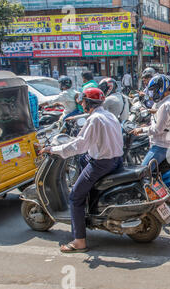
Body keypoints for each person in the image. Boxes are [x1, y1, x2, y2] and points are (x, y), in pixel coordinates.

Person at [39, 88, 124, 253]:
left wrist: (53, 149)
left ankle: (79, 241)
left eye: (83, 101)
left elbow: (79, 145)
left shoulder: (94, 120)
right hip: (116, 160)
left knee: (74, 197)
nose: (82, 104)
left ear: (88, 103)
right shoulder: (108, 115)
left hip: (101, 163)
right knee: (82, 159)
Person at [132, 75, 170, 169]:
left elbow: (158, 129)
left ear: (162, 88)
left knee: (143, 171)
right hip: (168, 141)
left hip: (162, 145)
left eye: (154, 90)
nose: (153, 93)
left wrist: (141, 130)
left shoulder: (166, 105)